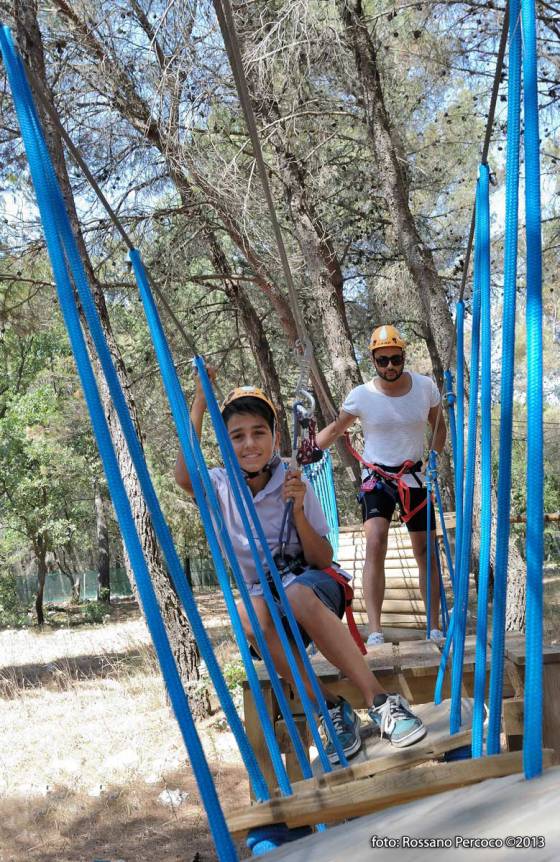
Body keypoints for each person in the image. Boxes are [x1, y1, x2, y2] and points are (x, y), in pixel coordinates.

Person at [175, 374, 427, 763]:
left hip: (312, 588)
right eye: (237, 436)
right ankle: (328, 708)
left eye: (259, 433)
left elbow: (322, 558)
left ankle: (379, 700)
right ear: (224, 443)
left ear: (275, 437)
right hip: (266, 600)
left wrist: (297, 512)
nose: (249, 443)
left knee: (295, 594)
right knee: (245, 612)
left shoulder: (293, 479)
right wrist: (199, 401)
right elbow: (183, 476)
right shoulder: (219, 486)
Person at [316, 325, 446, 647]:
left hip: (414, 476)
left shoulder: (425, 388)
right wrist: (308, 450)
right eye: (383, 360)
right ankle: (375, 630)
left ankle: (434, 626)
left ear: (404, 356)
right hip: (377, 478)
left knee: (425, 551)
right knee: (375, 542)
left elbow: (439, 427)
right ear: (373, 361)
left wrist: (434, 458)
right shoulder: (361, 396)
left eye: (395, 359)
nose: (390, 366)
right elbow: (336, 429)